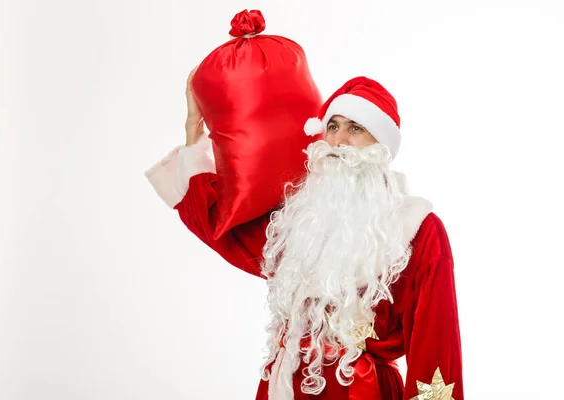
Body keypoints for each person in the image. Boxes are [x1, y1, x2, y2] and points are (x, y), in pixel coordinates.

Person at [145, 69, 464, 400]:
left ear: (381, 146)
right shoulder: (301, 221)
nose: (338, 141)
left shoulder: (417, 228)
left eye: (355, 128)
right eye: (333, 127)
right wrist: (193, 134)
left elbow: (436, 344)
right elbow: (223, 226)